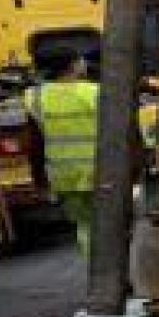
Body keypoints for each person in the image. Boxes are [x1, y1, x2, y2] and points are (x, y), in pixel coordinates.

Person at [27, 51, 100, 259]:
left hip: (63, 174)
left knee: (85, 225)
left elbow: (36, 143)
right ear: (74, 65)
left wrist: (39, 178)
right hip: (99, 171)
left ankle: (97, 275)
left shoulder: (36, 97)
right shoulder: (94, 92)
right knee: (110, 225)